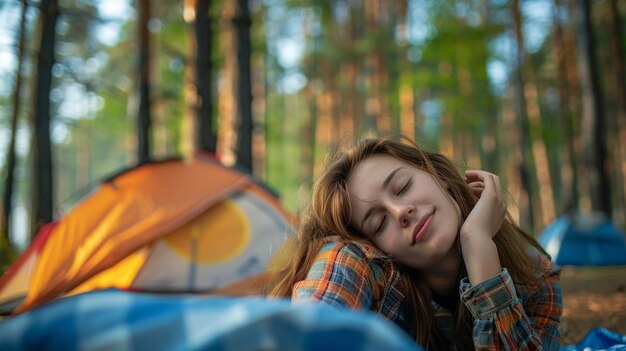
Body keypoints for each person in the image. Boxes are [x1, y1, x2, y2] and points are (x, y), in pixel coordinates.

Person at [268, 136, 562, 350]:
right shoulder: (354, 262)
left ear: (439, 176)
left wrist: (478, 245)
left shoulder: (536, 278)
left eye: (403, 187)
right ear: (375, 246)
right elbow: (307, 338)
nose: (400, 212)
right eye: (379, 222)